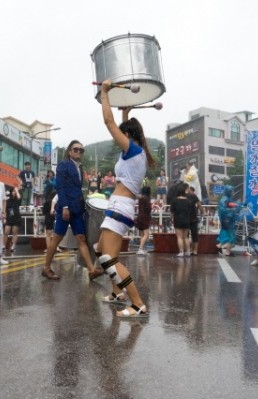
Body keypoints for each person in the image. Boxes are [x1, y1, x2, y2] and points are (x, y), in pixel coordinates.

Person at [95, 79, 156, 318]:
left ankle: (138, 303)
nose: (117, 137)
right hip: (120, 206)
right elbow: (119, 126)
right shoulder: (136, 152)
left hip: (120, 207)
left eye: (123, 134)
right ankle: (117, 293)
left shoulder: (133, 151)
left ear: (128, 135)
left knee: (108, 259)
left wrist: (105, 93)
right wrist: (126, 113)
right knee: (102, 250)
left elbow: (108, 122)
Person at [42, 140, 102, 281]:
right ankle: (46, 268)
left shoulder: (79, 167)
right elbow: (61, 188)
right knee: (57, 238)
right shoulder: (64, 165)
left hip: (77, 209)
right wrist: (64, 207)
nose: (79, 152)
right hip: (66, 209)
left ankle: (91, 270)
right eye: (76, 149)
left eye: (81, 150)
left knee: (81, 238)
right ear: (69, 151)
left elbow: (76, 189)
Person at [216, 185, 239, 257]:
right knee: (231, 236)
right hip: (228, 221)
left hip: (225, 221)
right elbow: (226, 209)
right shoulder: (226, 199)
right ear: (229, 191)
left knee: (225, 235)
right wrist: (236, 208)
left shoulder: (224, 199)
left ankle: (221, 246)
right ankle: (227, 251)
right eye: (232, 191)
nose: (233, 192)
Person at [171, 183, 191, 257]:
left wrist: (172, 218)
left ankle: (181, 252)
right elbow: (190, 210)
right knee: (186, 237)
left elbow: (172, 212)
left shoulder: (174, 200)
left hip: (178, 220)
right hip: (186, 220)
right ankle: (188, 251)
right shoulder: (188, 201)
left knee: (179, 237)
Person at [4, 186, 22, 254]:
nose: (14, 193)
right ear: (11, 192)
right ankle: (3, 245)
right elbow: (4, 209)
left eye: (15, 192)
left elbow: (19, 197)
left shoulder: (17, 200)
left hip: (16, 218)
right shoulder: (7, 200)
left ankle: (13, 246)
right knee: (6, 232)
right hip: (9, 218)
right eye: (13, 191)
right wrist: (5, 218)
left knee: (15, 233)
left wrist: (16, 189)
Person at [135, 186, 152, 255]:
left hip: (139, 217)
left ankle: (142, 249)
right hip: (145, 218)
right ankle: (140, 249)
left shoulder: (140, 199)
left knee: (142, 234)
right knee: (146, 234)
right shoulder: (147, 199)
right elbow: (148, 208)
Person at [187, 186, 202, 255]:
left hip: (186, 218)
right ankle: (195, 251)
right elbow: (199, 205)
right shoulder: (194, 196)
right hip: (193, 218)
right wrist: (202, 212)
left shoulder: (184, 196)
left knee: (186, 236)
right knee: (194, 235)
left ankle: (188, 250)